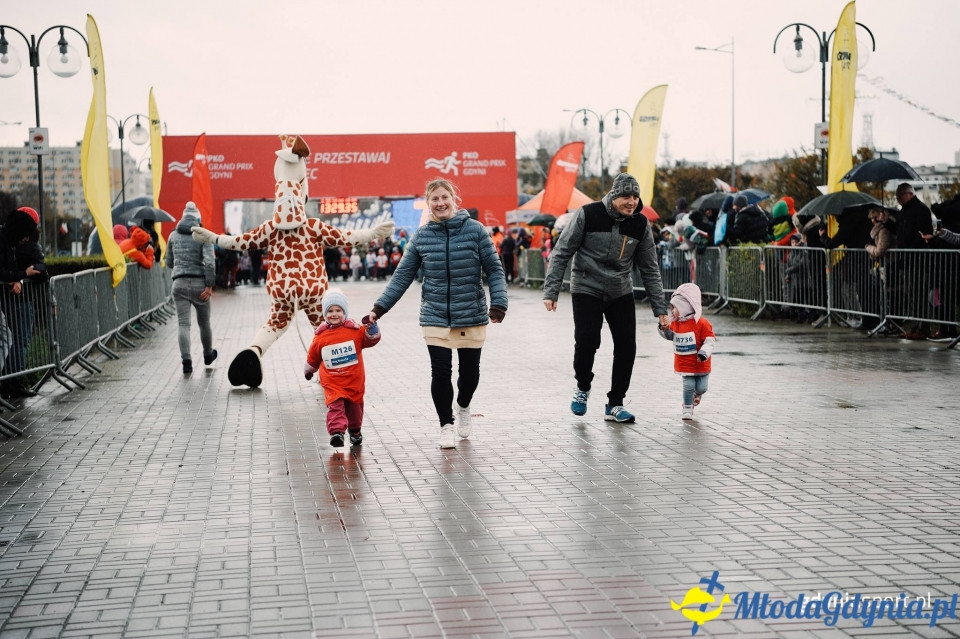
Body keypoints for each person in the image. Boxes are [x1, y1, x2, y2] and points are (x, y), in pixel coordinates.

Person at [367, 178, 507, 449]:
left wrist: (498, 303)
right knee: (440, 372)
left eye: (445, 197)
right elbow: (402, 276)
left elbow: (494, 269)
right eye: (434, 199)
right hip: (435, 315)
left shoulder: (476, 231)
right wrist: (378, 309)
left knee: (470, 375)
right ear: (428, 202)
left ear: (454, 199)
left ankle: (463, 406)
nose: (440, 203)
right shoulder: (421, 236)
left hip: (471, 312)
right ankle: (446, 425)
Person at [542, 172, 669, 423]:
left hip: (620, 289)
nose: (631, 201)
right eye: (626, 196)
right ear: (614, 196)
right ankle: (582, 387)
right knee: (588, 340)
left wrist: (660, 309)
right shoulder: (588, 214)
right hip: (586, 286)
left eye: (635, 196)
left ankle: (615, 403)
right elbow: (561, 252)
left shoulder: (640, 225)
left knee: (627, 346)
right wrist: (551, 290)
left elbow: (650, 269)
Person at [304, 288, 381, 449]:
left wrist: (372, 330)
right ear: (325, 314)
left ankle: (355, 431)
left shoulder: (355, 330)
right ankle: (337, 432)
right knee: (335, 405)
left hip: (353, 380)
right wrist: (309, 370)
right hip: (332, 381)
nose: (334, 314)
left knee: (355, 407)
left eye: (338, 310)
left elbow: (370, 340)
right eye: (330, 310)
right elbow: (313, 356)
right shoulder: (320, 336)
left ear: (344, 312)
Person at [165, 202, 217, 374]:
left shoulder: (173, 235)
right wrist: (209, 286)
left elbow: (169, 262)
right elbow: (210, 262)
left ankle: (186, 362)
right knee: (204, 323)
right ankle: (208, 355)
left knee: (183, 324)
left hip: (178, 284)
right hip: (200, 284)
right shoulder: (204, 235)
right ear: (197, 218)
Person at [0, 207, 45, 399]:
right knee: (12, 339)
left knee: (8, 337)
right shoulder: (11, 242)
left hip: (9, 299)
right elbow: (4, 271)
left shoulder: (8, 240)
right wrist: (23, 275)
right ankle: (11, 382)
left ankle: (9, 382)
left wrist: (17, 277)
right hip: (18, 301)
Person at [658, 283, 716, 420]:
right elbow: (670, 336)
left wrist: (704, 353)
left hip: (701, 363)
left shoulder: (702, 323)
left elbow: (710, 340)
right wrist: (664, 329)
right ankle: (687, 407)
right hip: (684, 363)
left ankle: (697, 394)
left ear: (685, 307)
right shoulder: (676, 324)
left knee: (702, 387)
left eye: (675, 308)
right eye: (672, 308)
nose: (672, 312)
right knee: (688, 385)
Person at [894, 183, 935, 339]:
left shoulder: (921, 209)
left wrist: (911, 248)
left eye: (900, 195)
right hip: (907, 259)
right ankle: (916, 325)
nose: (898, 199)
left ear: (909, 194)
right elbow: (900, 230)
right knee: (912, 294)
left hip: (918, 260)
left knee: (919, 294)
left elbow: (925, 234)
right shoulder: (904, 211)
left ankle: (923, 327)